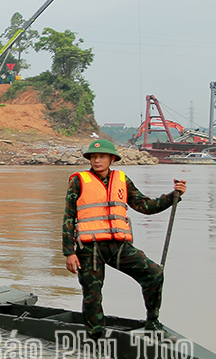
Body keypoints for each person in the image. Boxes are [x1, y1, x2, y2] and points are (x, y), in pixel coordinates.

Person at [63, 140, 186, 337]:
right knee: (92, 295)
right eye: (94, 157)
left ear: (112, 159)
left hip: (118, 246)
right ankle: (96, 337)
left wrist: (173, 196)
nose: (97, 160)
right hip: (89, 249)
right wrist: (69, 252)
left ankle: (152, 323)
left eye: (102, 156)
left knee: (154, 274)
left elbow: (146, 206)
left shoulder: (122, 180)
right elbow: (69, 217)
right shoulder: (78, 181)